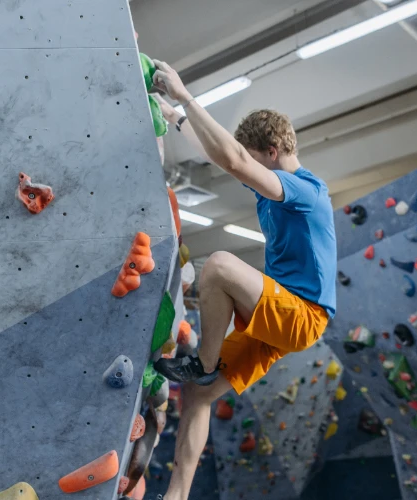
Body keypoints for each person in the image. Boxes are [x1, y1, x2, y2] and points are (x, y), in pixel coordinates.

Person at [149, 60, 336, 500]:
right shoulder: (273, 185)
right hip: (277, 319)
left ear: (272, 152)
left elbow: (231, 159)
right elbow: (221, 151)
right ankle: (176, 496)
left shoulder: (306, 191)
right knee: (196, 398)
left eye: (256, 161)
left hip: (303, 316)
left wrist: (185, 96)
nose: (249, 171)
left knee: (219, 266)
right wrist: (176, 119)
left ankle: (204, 362)